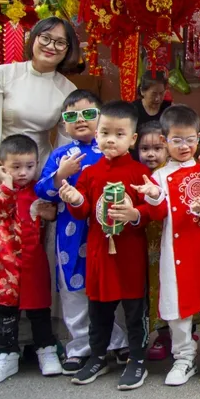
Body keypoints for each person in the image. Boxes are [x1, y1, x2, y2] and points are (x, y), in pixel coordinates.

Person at [0, 17, 80, 368]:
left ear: (68, 50)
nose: (51, 47)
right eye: (46, 38)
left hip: (38, 171)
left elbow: (65, 141)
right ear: (32, 38)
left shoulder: (66, 88)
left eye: (61, 42)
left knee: (37, 251)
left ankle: (37, 339)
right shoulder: (4, 75)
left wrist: (55, 183)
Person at [59, 101, 166, 390]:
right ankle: (97, 356)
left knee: (134, 311)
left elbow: (155, 212)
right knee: (98, 310)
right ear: (96, 134)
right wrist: (75, 199)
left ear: (132, 139)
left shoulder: (139, 173)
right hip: (99, 254)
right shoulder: (90, 173)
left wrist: (135, 214)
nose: (110, 140)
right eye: (105, 132)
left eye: (119, 134)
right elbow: (82, 210)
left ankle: (137, 359)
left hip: (130, 255)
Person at [34, 90, 128, 373]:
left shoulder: (113, 150)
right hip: (71, 233)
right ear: (63, 123)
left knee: (107, 288)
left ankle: (116, 341)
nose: (81, 120)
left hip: (106, 231)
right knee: (74, 290)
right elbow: (42, 190)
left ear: (101, 117)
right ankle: (79, 347)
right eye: (72, 115)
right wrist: (61, 175)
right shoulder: (60, 155)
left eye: (88, 113)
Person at [138, 105, 200, 388]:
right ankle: (183, 358)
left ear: (198, 138)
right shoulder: (159, 176)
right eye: (176, 140)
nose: (184, 146)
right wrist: (154, 195)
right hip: (175, 251)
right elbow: (156, 214)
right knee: (179, 306)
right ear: (164, 140)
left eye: (190, 139)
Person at [0, 135, 61, 385]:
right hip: (4, 266)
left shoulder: (38, 191)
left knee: (39, 309)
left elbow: (51, 214)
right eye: (15, 167)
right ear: (3, 166)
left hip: (34, 261)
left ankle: (46, 351)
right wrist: (5, 183)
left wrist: (51, 214)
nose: (23, 172)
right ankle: (6, 356)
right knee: (6, 313)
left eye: (30, 166)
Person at [137, 121, 173, 363]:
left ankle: (176, 334)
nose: (151, 154)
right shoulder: (135, 174)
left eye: (157, 149)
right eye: (144, 149)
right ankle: (160, 334)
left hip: (167, 239)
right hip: (144, 241)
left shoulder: (169, 173)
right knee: (151, 287)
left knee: (168, 284)